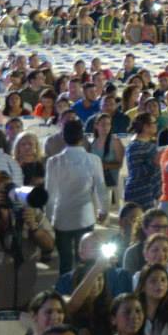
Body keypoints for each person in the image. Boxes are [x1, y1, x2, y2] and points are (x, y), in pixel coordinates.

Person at [47, 119, 111, 279]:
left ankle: (65, 290)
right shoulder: (93, 160)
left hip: (61, 216)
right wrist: (104, 209)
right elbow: (100, 188)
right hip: (85, 214)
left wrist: (48, 217)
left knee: (65, 261)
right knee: (85, 257)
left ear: (63, 136)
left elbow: (50, 193)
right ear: (82, 137)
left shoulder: (53, 161)